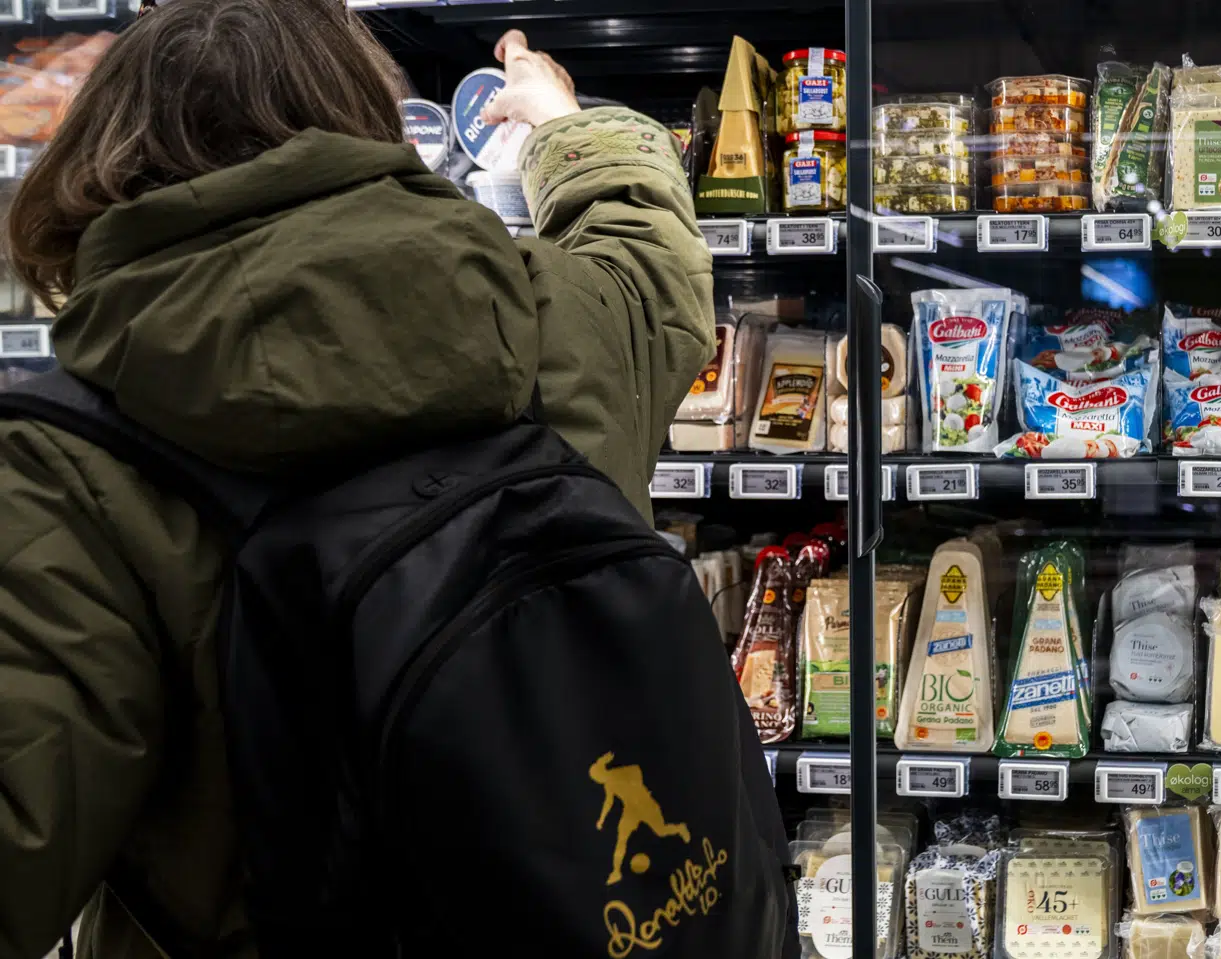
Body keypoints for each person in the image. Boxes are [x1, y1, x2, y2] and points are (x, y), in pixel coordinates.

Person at [0, 2, 714, 957]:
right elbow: (649, 259)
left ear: (103, 157)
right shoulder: (555, 315)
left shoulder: (63, 467)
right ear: (366, 119)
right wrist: (562, 125)